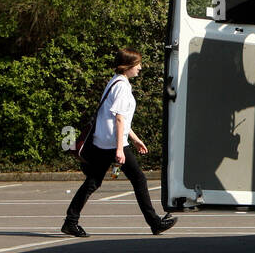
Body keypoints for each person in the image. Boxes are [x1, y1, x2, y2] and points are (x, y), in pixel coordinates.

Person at [62, 47, 178, 238]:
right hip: (111, 143)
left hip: (104, 141)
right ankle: (155, 223)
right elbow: (118, 119)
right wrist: (120, 149)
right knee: (139, 179)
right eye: (137, 64)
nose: (140, 68)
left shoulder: (114, 82)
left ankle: (70, 221)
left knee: (93, 181)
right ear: (128, 66)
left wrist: (135, 139)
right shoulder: (122, 87)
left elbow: (118, 118)